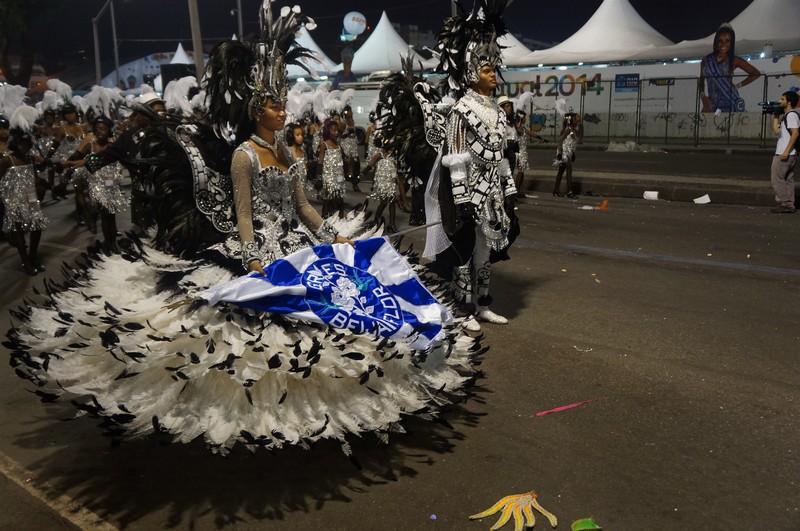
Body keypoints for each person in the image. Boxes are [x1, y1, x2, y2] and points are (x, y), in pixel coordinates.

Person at [8, 0, 481, 455]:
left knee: (356, 296)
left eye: (283, 103)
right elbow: (243, 214)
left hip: (300, 240)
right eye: (274, 105)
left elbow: (304, 207)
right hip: (260, 246)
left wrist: (332, 235)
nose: (283, 111)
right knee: (272, 327)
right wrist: (253, 256)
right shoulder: (244, 155)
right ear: (256, 110)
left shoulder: (289, 152)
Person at [0, 106, 48, 275]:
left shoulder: (29, 158)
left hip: (30, 195)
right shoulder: (7, 160)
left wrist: (42, 184)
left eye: (27, 143)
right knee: (18, 230)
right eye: (21, 143)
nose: (24, 146)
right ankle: (25, 261)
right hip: (13, 197)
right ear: (14, 142)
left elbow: (34, 176)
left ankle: (32, 255)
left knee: (37, 226)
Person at [699, 24, 761, 113]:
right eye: (720, 40)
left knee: (724, 121)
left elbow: (756, 73)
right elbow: (701, 80)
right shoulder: (706, 60)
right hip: (711, 103)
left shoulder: (734, 60)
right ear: (716, 41)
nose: (723, 44)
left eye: (727, 40)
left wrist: (737, 86)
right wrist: (703, 96)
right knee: (706, 120)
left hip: (730, 101)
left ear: (731, 43)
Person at [769, 91, 799, 214]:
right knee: (787, 179)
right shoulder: (787, 116)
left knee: (777, 179)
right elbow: (777, 131)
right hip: (787, 153)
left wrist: (786, 151)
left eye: (782, 99)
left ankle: (785, 203)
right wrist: (776, 116)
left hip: (785, 153)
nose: (779, 101)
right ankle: (789, 204)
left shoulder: (791, 115)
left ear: (789, 102)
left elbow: (795, 133)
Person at [553, 113, 580, 198]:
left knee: (561, 171)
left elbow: (570, 142)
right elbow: (561, 140)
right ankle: (569, 192)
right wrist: (560, 153)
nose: (576, 120)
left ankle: (556, 190)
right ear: (570, 120)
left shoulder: (571, 129)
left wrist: (573, 153)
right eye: (574, 118)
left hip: (567, 152)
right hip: (563, 152)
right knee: (569, 169)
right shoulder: (567, 129)